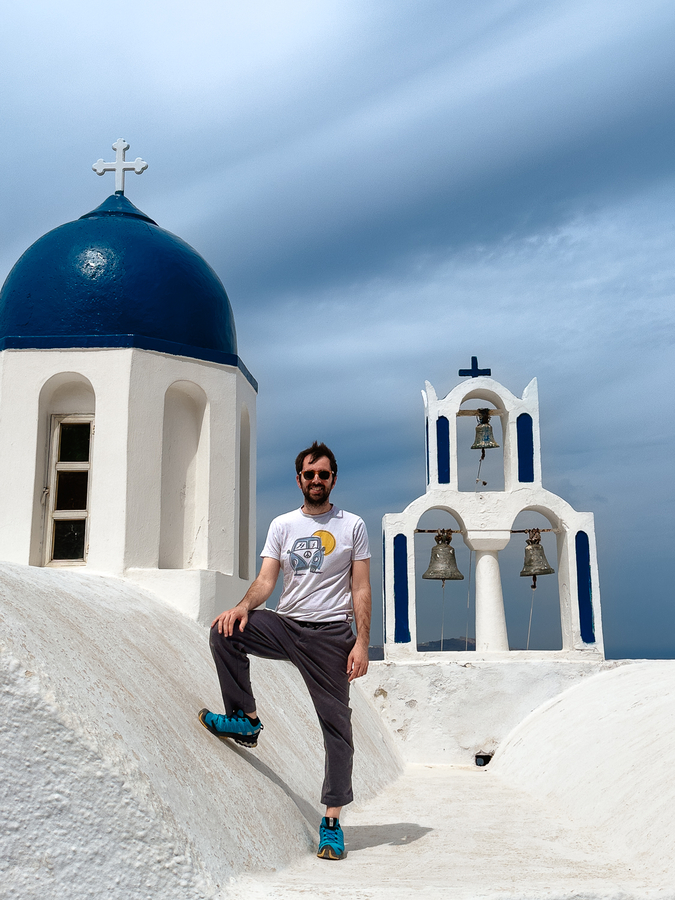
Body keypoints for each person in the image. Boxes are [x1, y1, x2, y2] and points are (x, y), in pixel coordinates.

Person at [199, 441, 371, 861]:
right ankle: (245, 719)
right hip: (285, 624)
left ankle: (331, 820)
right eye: (309, 474)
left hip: (331, 636)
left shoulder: (352, 526)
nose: (316, 480)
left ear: (334, 478)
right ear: (299, 480)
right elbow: (265, 580)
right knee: (226, 632)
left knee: (337, 728)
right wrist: (242, 606)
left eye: (324, 474)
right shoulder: (282, 525)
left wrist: (362, 642)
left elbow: (360, 587)